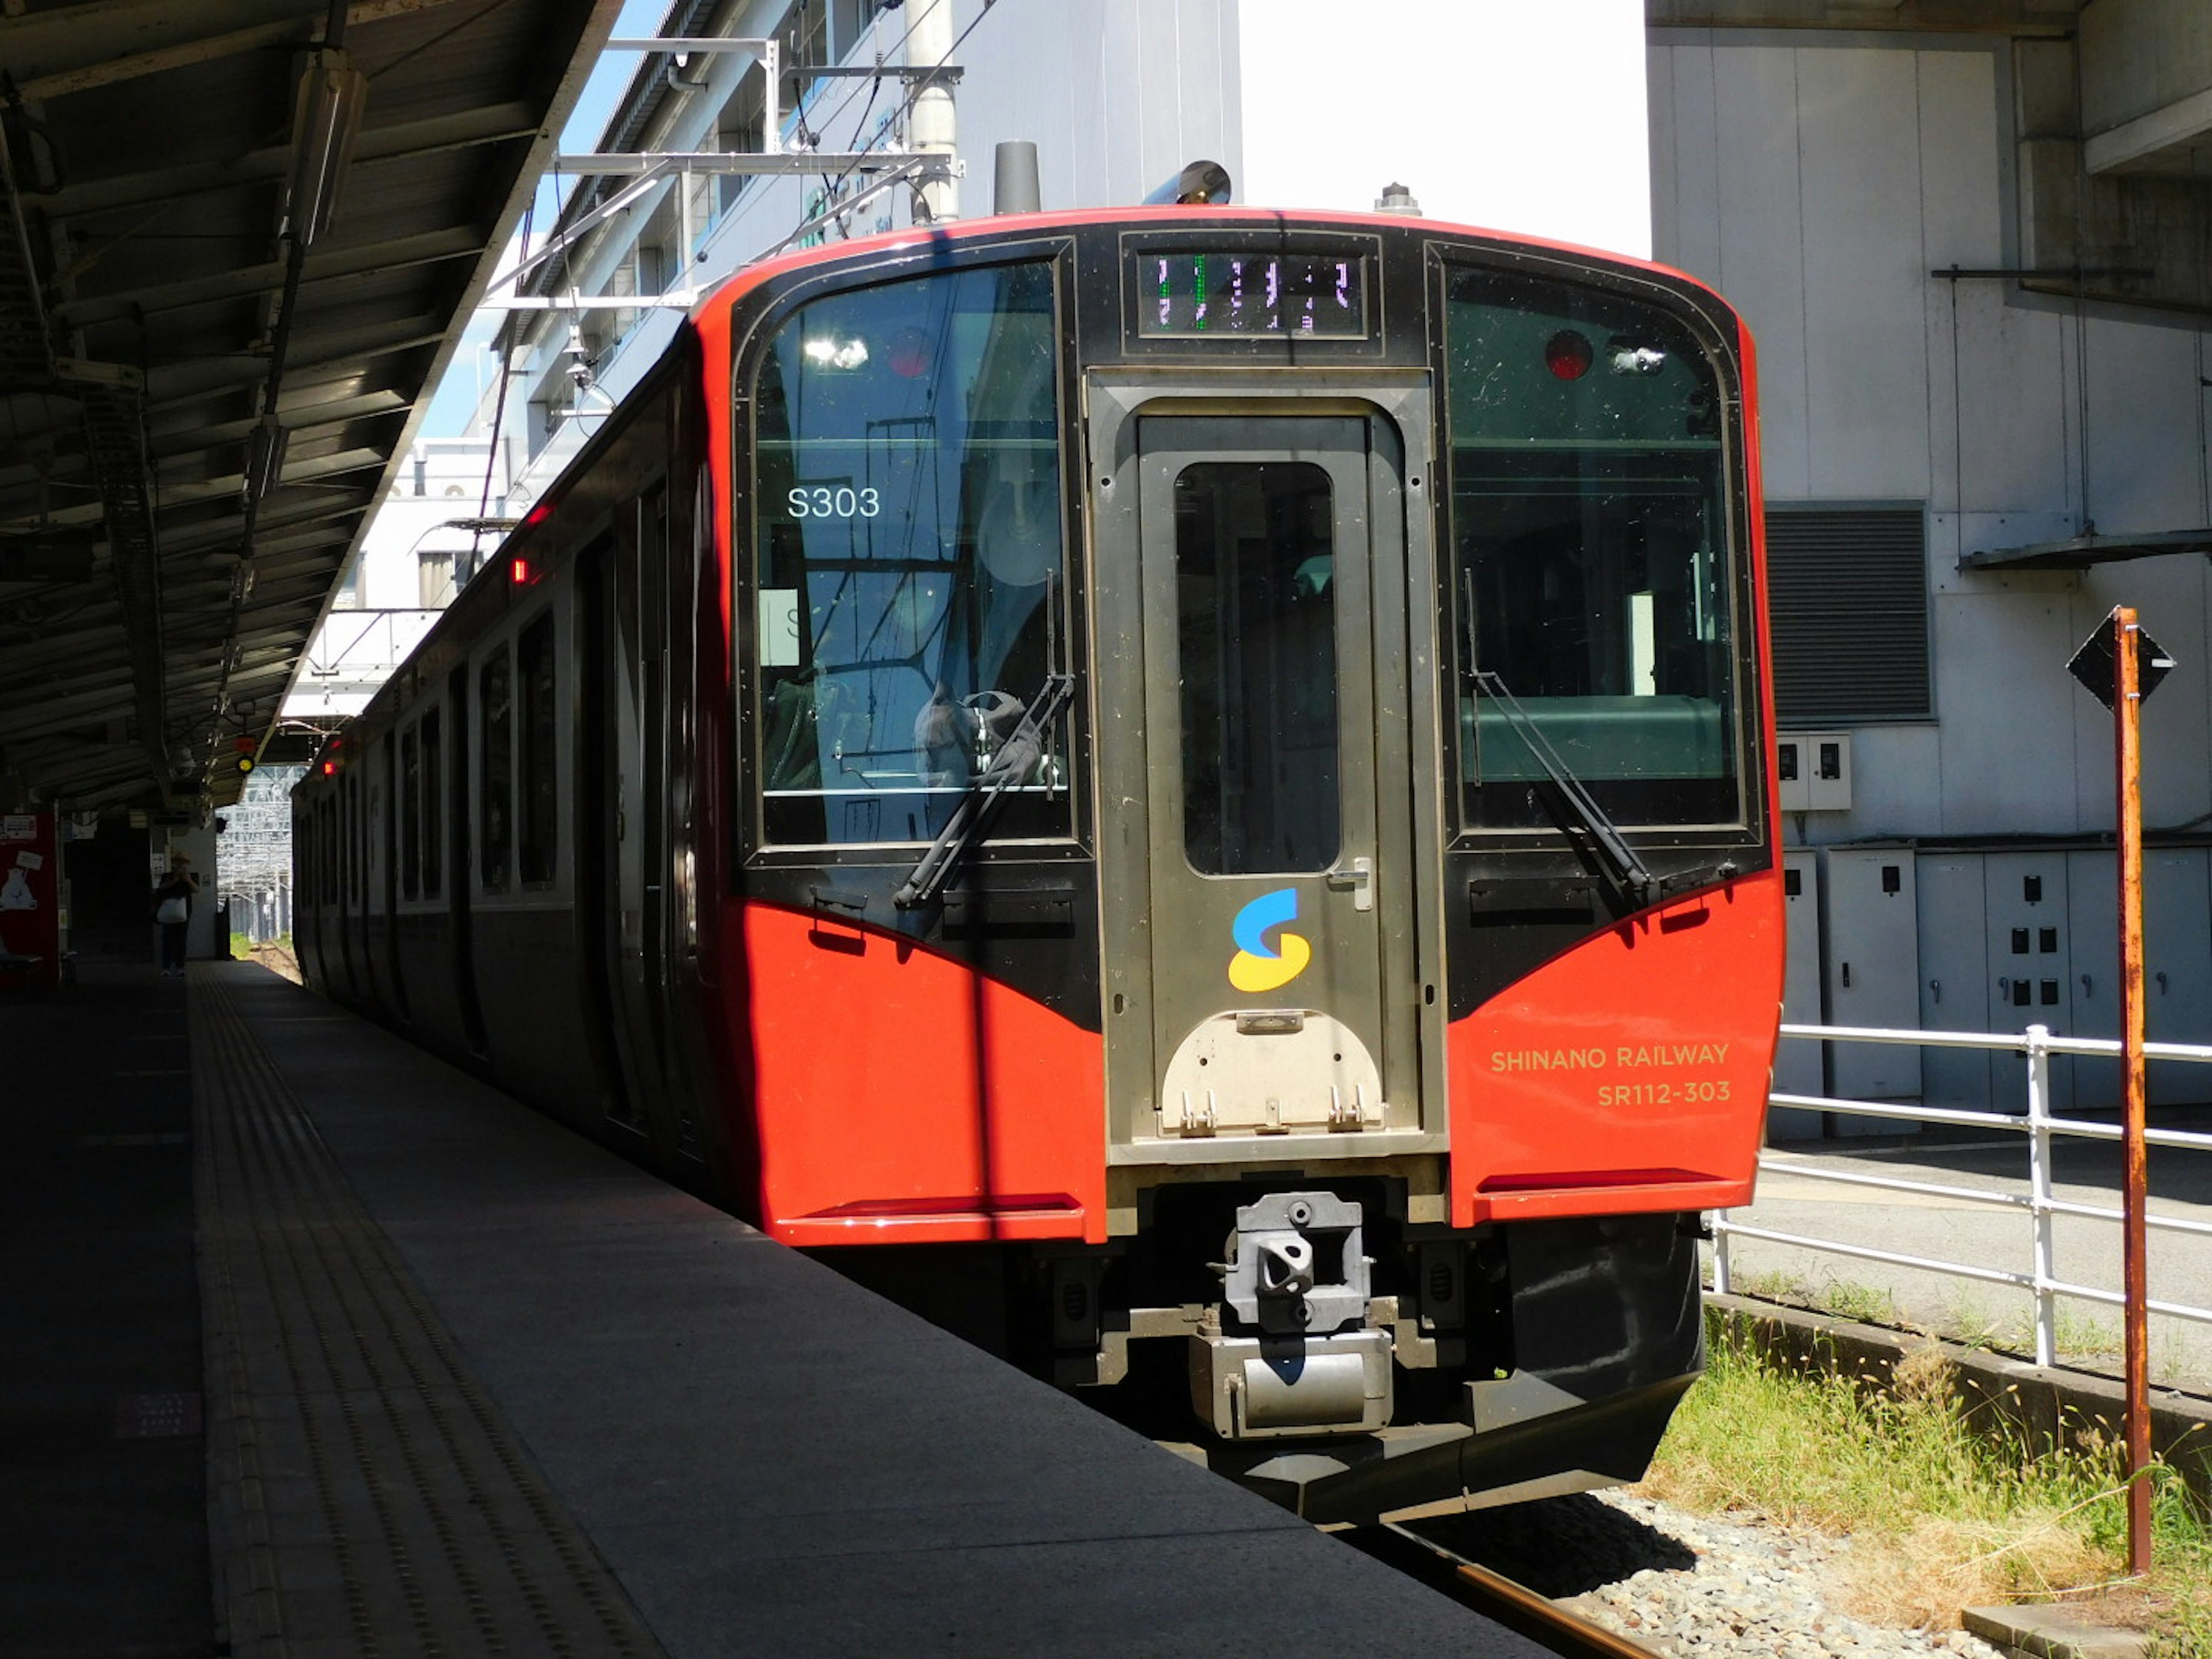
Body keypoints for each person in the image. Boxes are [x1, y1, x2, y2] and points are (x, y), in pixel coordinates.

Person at [152, 853, 198, 978]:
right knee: (167, 940)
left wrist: (187, 880)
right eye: (177, 862)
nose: (180, 865)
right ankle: (166, 967)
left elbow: (196, 889)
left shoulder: (189, 877)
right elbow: (161, 888)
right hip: (168, 911)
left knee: (181, 941)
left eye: (182, 863)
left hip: (184, 912)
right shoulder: (167, 876)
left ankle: (180, 967)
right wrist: (175, 880)